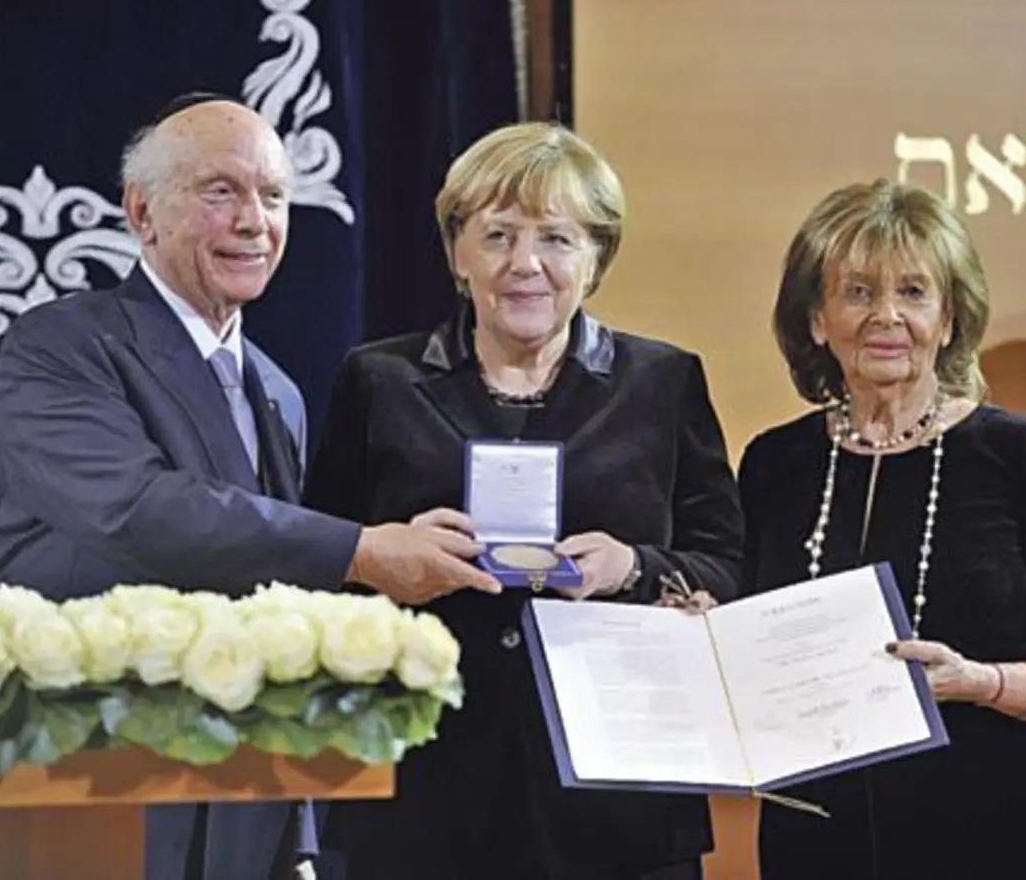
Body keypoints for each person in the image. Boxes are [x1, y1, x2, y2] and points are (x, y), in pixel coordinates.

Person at [0, 94, 500, 880]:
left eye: (275, 195)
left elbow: (281, 596)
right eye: (221, 192)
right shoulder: (64, 346)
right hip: (101, 784)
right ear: (143, 212)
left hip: (251, 797)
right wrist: (361, 550)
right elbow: (139, 511)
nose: (255, 220)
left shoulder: (277, 390)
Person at [304, 122, 745, 880]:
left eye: (557, 239)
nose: (526, 265)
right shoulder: (378, 380)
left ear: (596, 258)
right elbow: (318, 558)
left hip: (619, 790)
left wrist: (632, 567)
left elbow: (730, 565)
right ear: (458, 252)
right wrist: (388, 552)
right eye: (499, 235)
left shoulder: (664, 382)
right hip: (425, 784)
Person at [738, 178, 1026, 880]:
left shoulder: (1022, 456)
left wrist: (982, 681)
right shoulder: (775, 464)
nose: (885, 316)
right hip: (815, 850)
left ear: (950, 320)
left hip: (995, 844)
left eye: (914, 293)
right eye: (857, 292)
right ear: (815, 320)